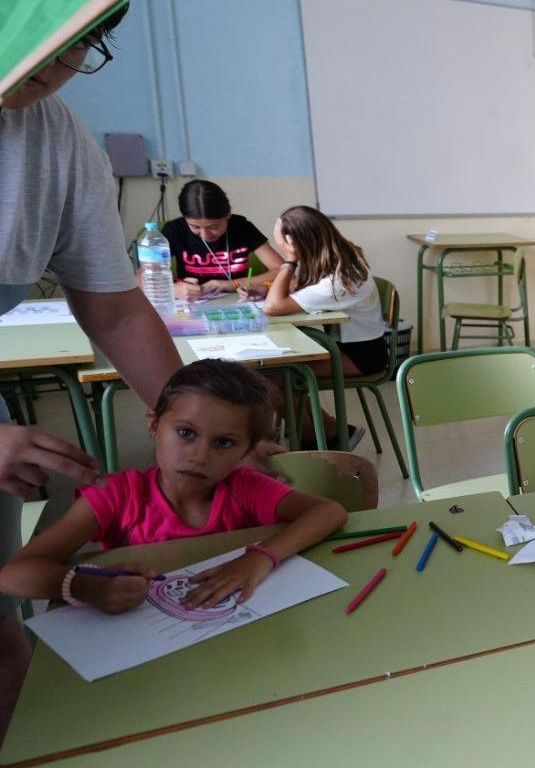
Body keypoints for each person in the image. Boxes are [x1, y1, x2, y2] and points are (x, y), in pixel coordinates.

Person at [0, 0, 187, 742]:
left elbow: (114, 309)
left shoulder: (53, 135)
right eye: (37, 15)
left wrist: (199, 419)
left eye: (85, 33)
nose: (61, 52)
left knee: (6, 647)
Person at [0, 360, 347, 613]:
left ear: (247, 449)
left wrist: (259, 559)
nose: (199, 456)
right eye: (186, 433)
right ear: (154, 425)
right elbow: (14, 575)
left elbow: (329, 511)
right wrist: (88, 587)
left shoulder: (245, 487)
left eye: (224, 443)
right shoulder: (117, 496)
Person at [260, 205, 386, 450]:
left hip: (362, 356)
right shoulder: (338, 258)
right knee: (276, 374)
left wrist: (289, 261)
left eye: (283, 245)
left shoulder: (342, 278)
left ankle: (318, 439)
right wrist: (265, 288)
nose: (281, 249)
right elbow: (296, 291)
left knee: (275, 379)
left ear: (298, 243)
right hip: (345, 346)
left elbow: (273, 307)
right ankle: (331, 432)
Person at [162, 180, 283, 303]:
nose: (205, 235)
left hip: (240, 301)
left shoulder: (242, 228)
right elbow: (143, 277)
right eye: (195, 227)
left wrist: (232, 284)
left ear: (228, 214)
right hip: (191, 304)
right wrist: (173, 289)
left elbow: (282, 270)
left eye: (213, 227)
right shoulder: (174, 231)